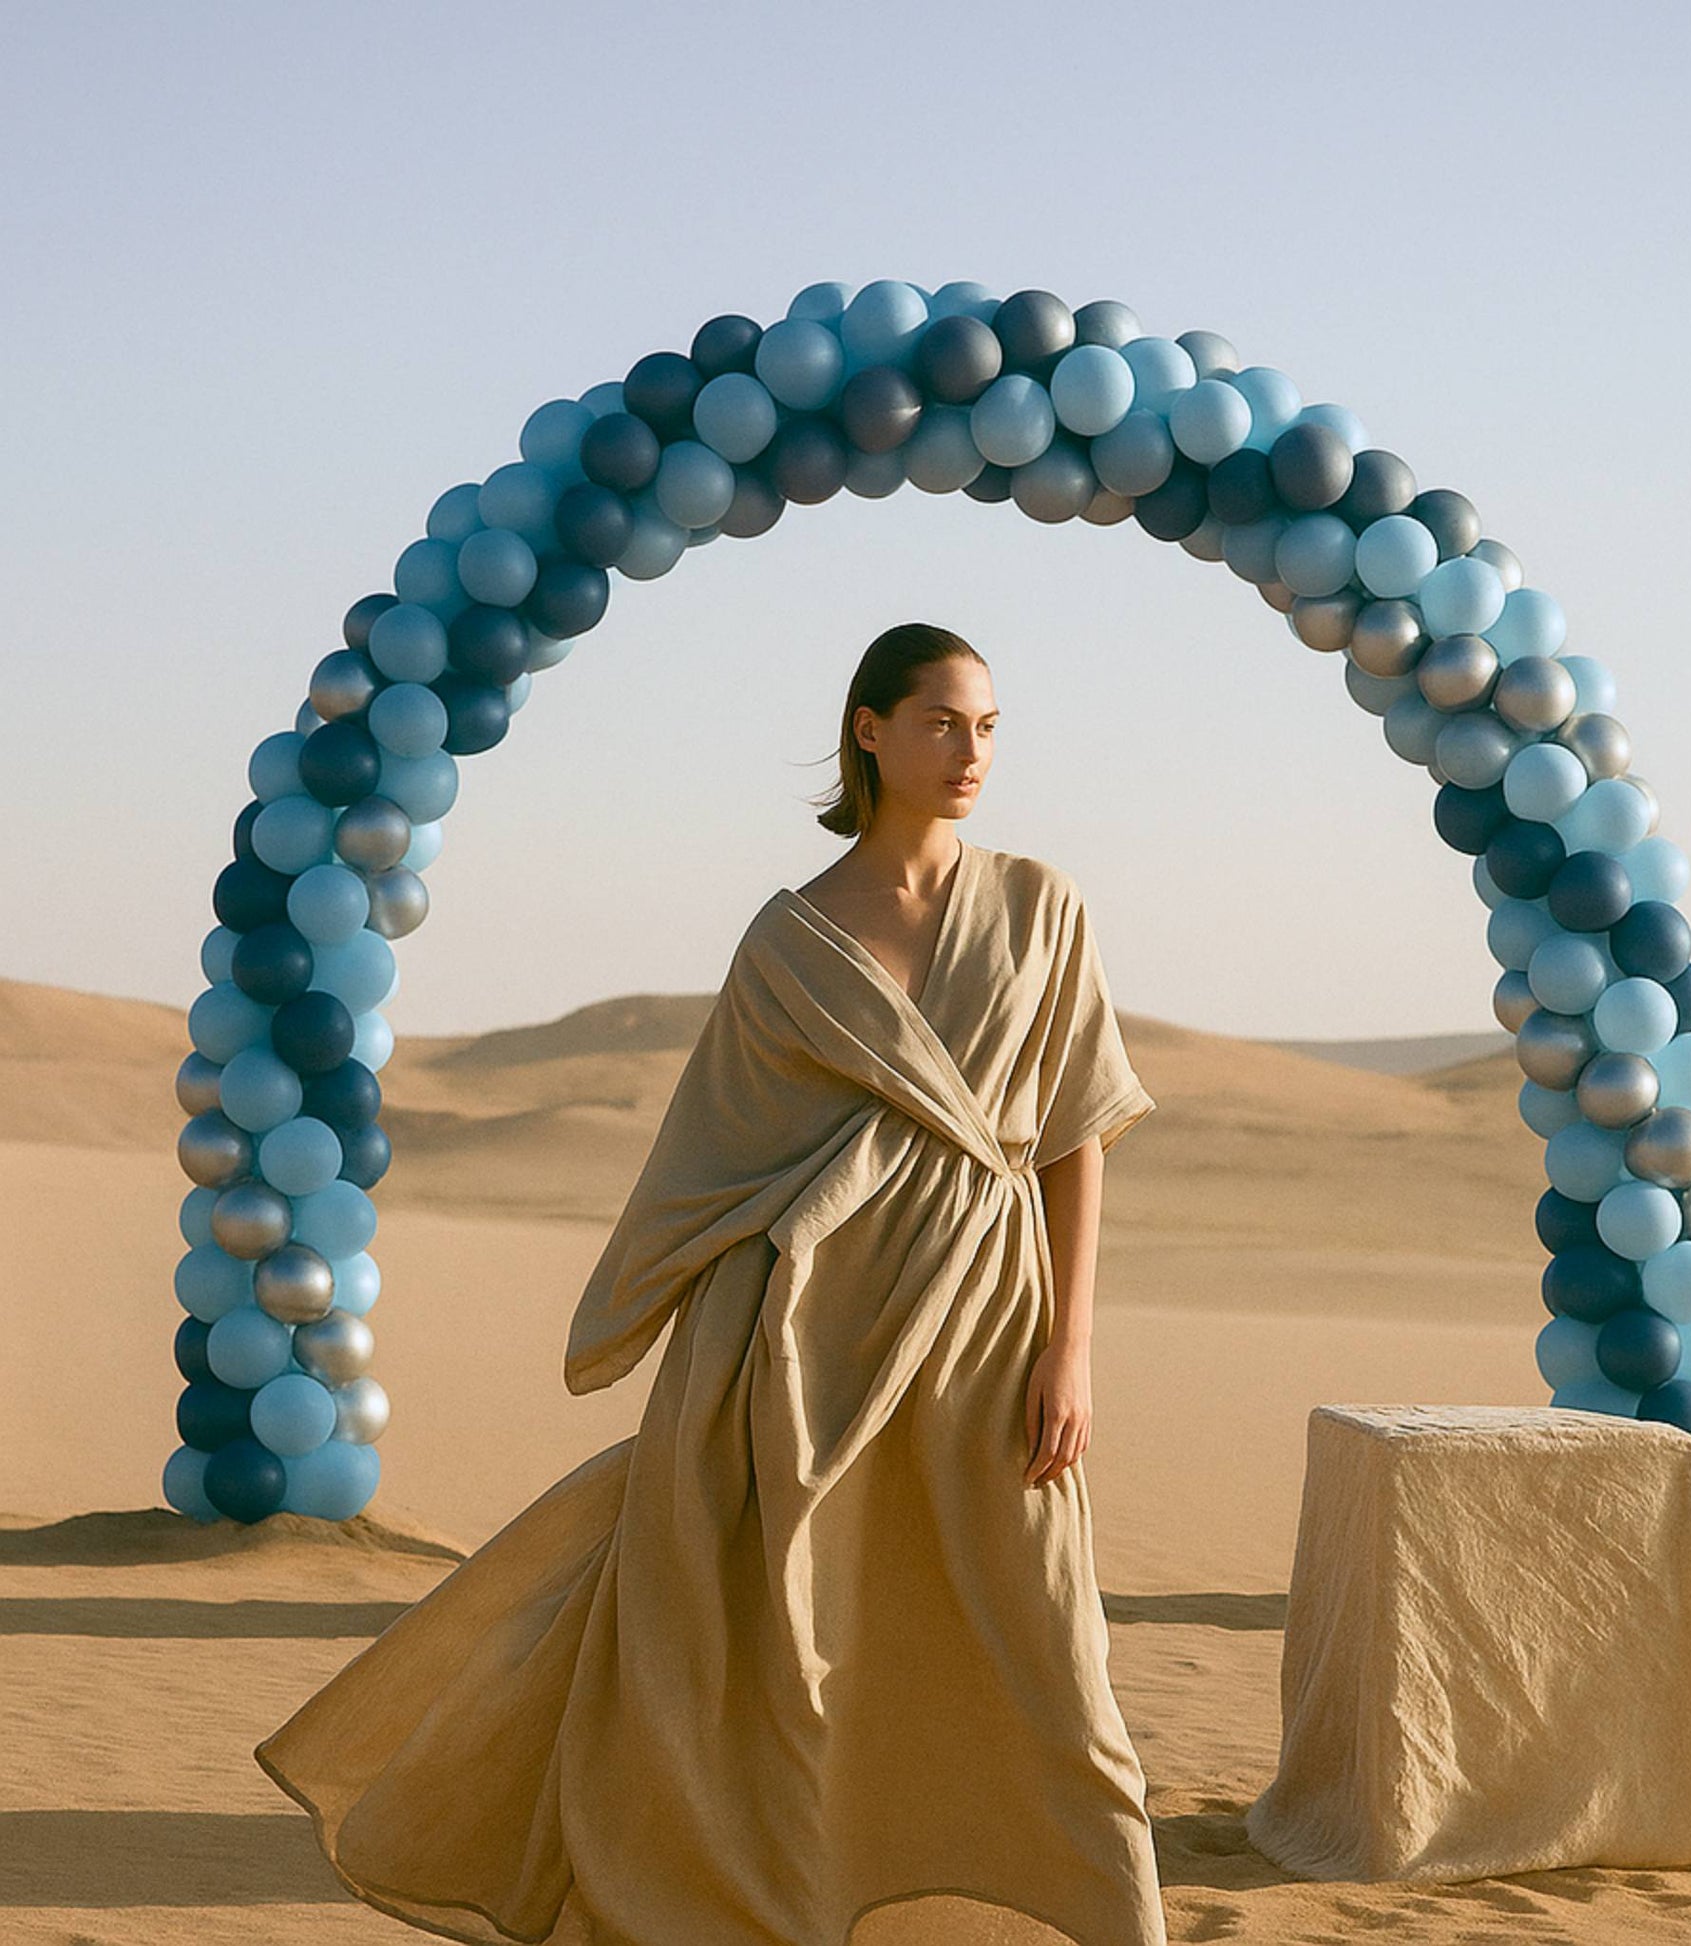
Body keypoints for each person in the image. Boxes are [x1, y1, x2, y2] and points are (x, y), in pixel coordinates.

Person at [255, 620, 1169, 1946]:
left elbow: (1078, 1130)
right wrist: (673, 1337)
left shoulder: (1043, 906)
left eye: (986, 726)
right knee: (794, 1645)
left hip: (988, 1324)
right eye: (938, 722)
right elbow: (716, 1148)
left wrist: (1069, 1347)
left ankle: (1099, 1912)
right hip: (802, 1335)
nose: (968, 752)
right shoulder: (792, 939)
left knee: (1043, 1644)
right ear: (868, 729)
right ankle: (781, 1902)